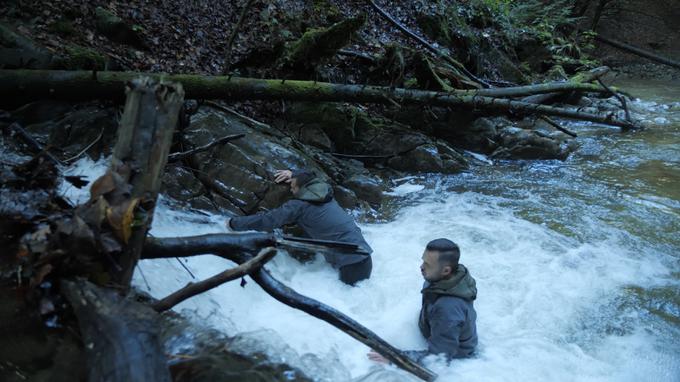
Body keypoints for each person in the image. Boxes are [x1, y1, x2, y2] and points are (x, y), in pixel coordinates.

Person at [227, 169, 373, 285]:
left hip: (350, 268)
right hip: (364, 258)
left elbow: (266, 221)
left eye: (293, 187)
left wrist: (233, 223)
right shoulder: (326, 193)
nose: (291, 190)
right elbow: (312, 176)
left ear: (303, 188)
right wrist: (294, 174)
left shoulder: (299, 206)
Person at [368, 238, 477, 364]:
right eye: (423, 261)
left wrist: (394, 358)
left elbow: (439, 359)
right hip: (437, 332)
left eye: (427, 265)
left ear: (446, 270)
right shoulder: (443, 279)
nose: (421, 267)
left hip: (457, 359)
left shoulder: (448, 308)